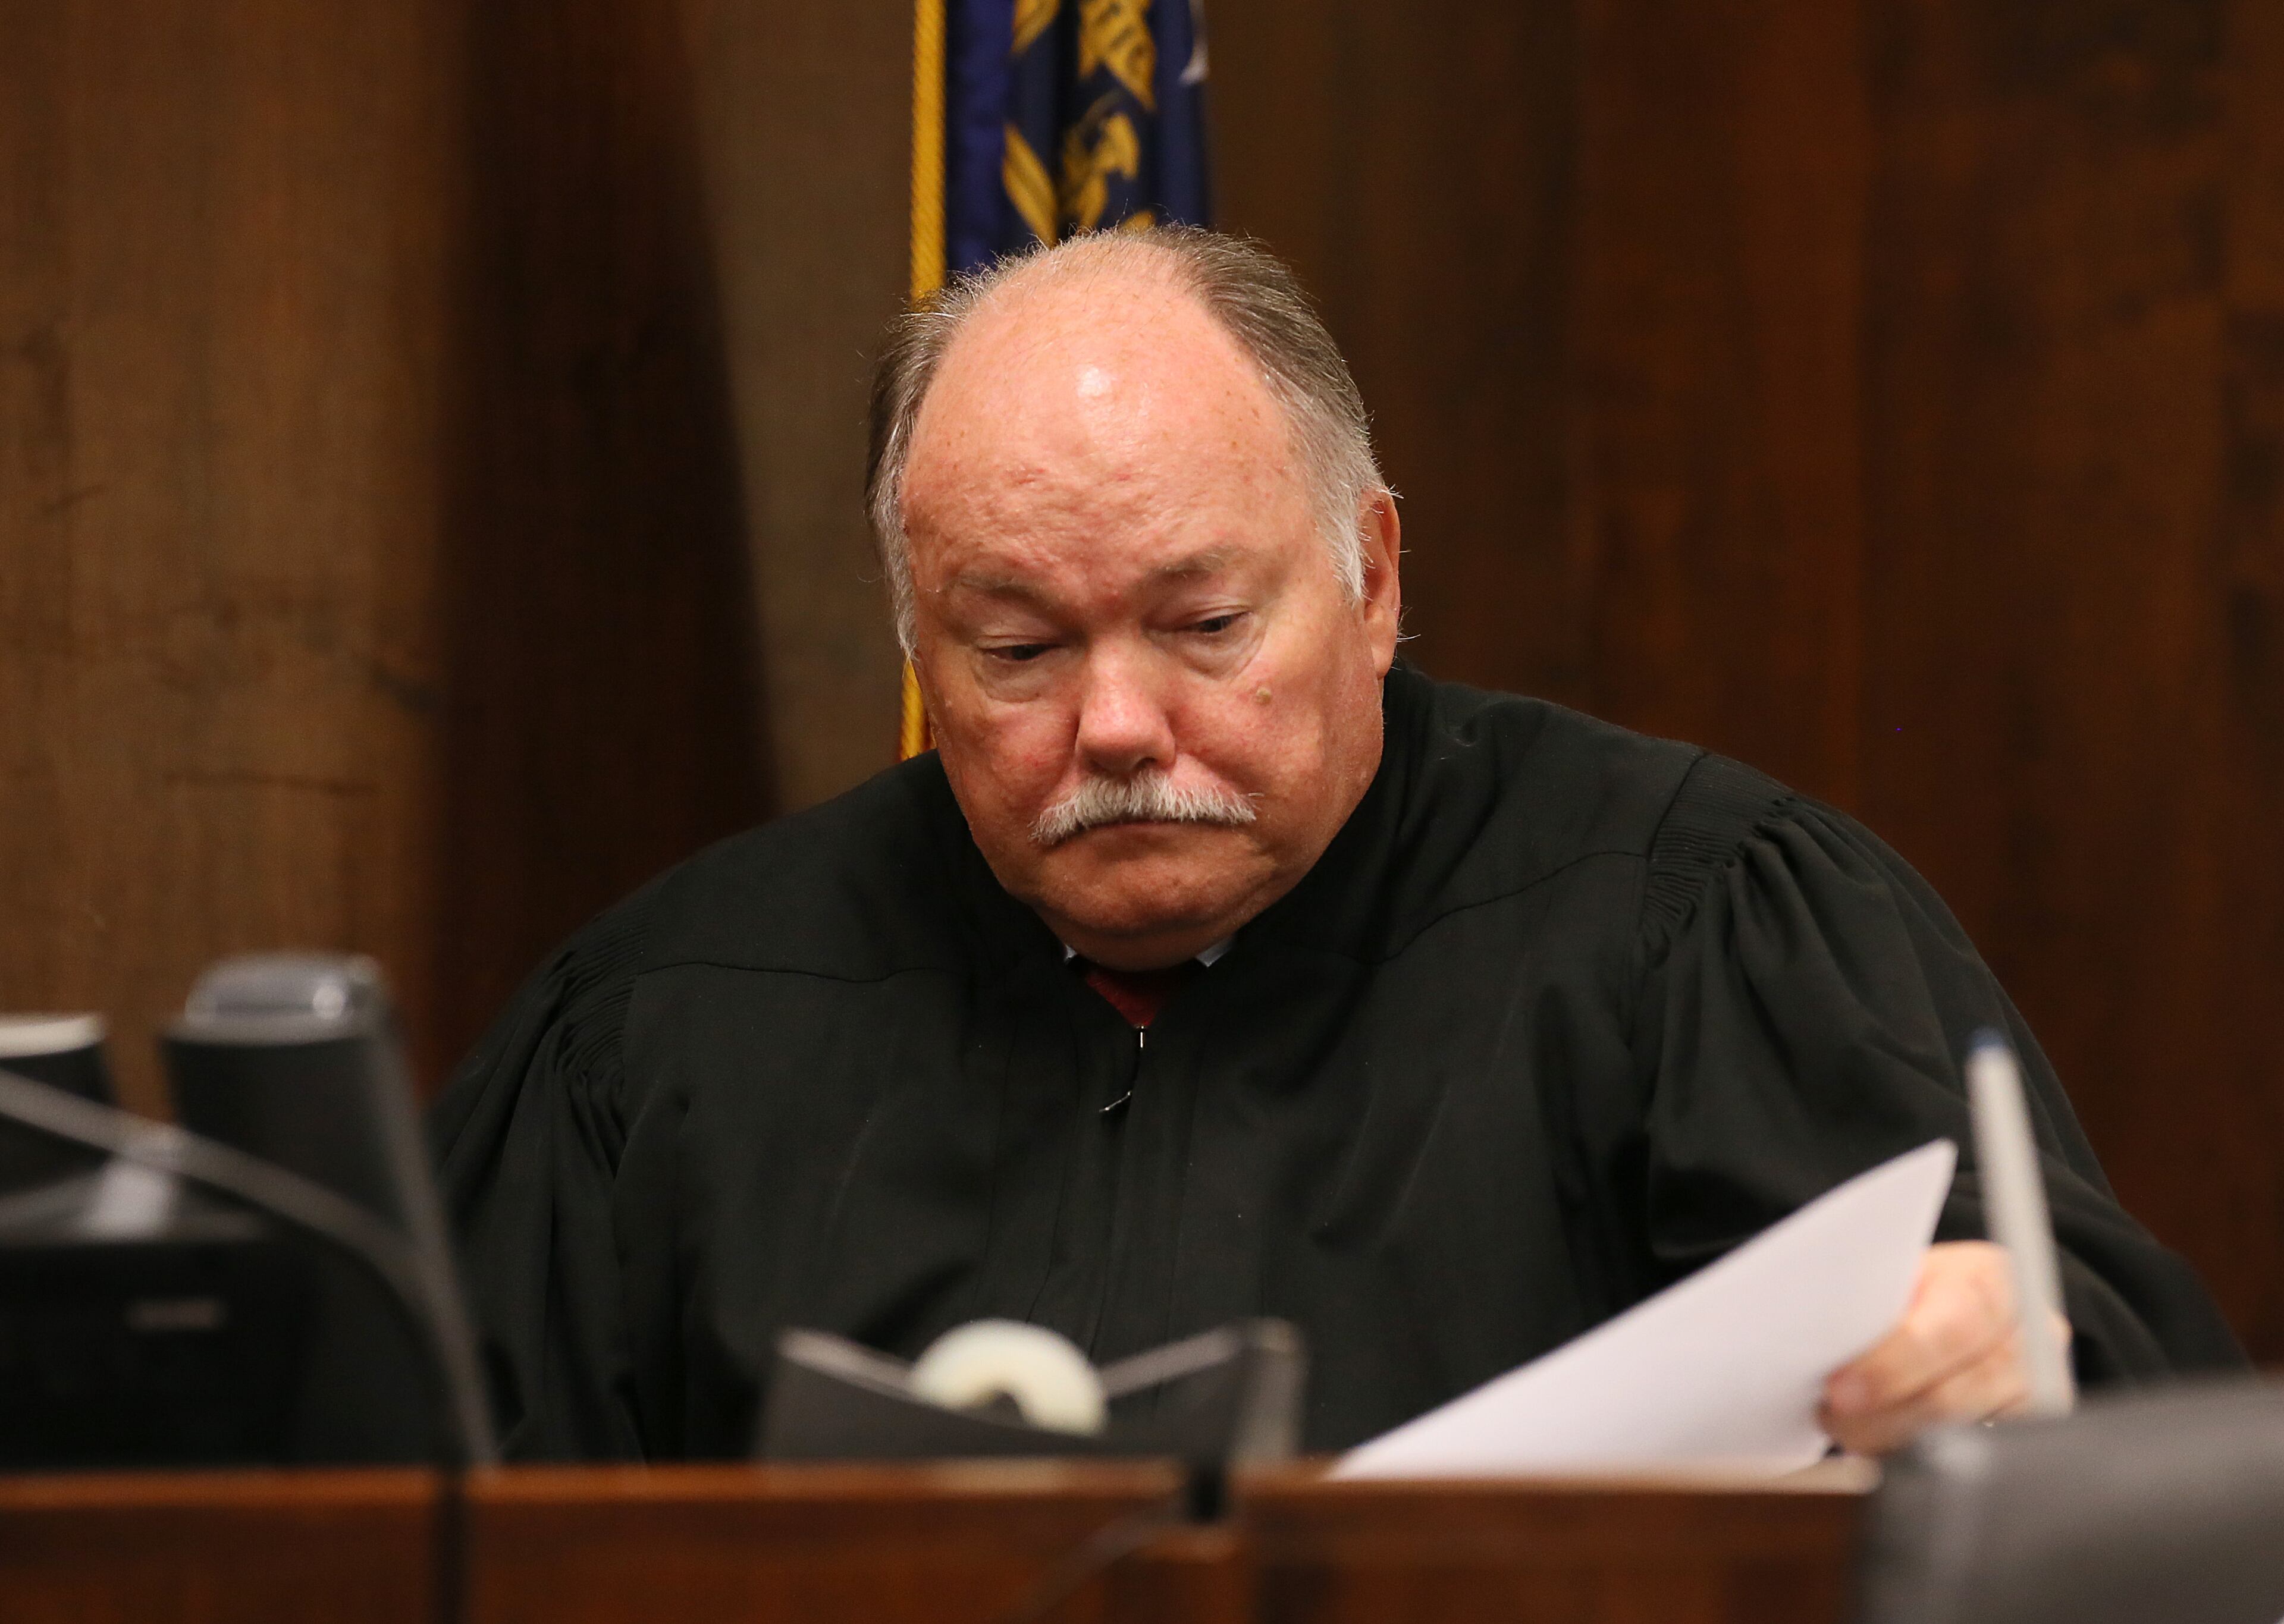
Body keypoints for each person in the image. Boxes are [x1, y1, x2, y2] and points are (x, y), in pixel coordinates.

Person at [433, 227, 2241, 1462]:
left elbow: (2147, 1421)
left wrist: (2009, 1341)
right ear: (915, 643)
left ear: (1374, 578)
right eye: (1018, 650)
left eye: (1205, 624)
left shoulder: (1688, 923)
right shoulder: (664, 1035)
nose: (1119, 723)